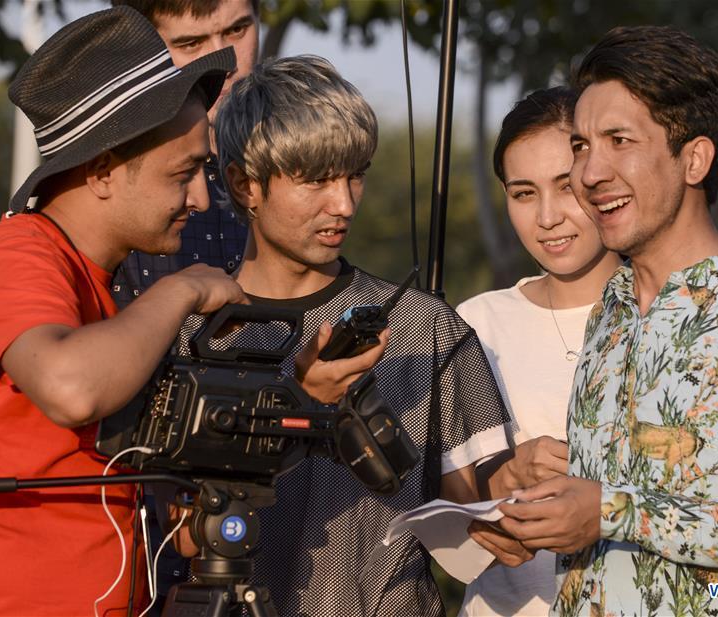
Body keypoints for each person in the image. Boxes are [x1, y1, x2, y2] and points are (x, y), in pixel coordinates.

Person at [474, 26, 718, 617]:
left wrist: (612, 512)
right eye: (580, 145)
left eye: (618, 140)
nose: (589, 173)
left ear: (694, 159)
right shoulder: (610, 319)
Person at [173, 54, 511, 616]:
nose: (345, 203)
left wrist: (522, 494)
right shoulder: (192, 337)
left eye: (355, 173)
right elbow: (183, 536)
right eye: (316, 180)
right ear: (244, 184)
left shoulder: (426, 329)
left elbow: (480, 520)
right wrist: (301, 409)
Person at [0, 7, 245, 615]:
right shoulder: (11, 254)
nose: (200, 198)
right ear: (100, 172)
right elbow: (70, 387)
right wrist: (181, 292)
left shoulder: (99, 283)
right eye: (184, 173)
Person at [456, 87, 622, 616]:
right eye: (524, 193)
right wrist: (505, 478)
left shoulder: (677, 320)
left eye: (566, 187)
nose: (547, 217)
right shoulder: (474, 325)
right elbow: (439, 514)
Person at [108, 0, 259, 308]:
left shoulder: (296, 159)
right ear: (140, 49)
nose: (225, 63)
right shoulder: (109, 178)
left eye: (237, 29)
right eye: (191, 43)